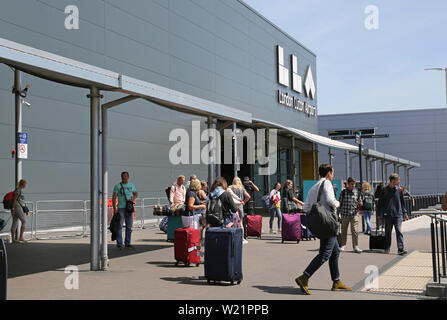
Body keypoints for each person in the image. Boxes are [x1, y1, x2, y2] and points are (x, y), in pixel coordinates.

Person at [295, 164, 351, 295]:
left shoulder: (314, 187)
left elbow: (306, 207)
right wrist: (339, 204)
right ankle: (304, 277)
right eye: (333, 172)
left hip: (319, 223)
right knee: (325, 253)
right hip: (328, 223)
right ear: (329, 173)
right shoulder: (327, 183)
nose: (333, 175)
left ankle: (336, 281)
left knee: (335, 251)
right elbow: (331, 201)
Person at [377, 174, 409, 255]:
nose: (399, 181)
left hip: (398, 215)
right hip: (388, 215)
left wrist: (405, 213)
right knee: (388, 232)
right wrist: (379, 213)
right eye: (398, 180)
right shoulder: (385, 190)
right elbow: (380, 203)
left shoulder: (400, 190)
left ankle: (400, 249)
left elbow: (402, 203)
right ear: (393, 180)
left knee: (399, 231)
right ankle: (387, 248)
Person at [112, 172, 138, 250]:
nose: (124, 178)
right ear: (121, 177)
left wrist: (132, 198)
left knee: (129, 227)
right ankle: (119, 244)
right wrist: (114, 208)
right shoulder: (117, 186)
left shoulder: (131, 185)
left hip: (129, 208)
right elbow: (114, 197)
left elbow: (136, 194)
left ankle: (127, 243)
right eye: (123, 176)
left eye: (125, 176)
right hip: (121, 208)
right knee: (119, 226)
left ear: (128, 177)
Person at [338, 177, 363, 253]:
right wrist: (338, 214)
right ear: (348, 184)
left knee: (354, 230)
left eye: (354, 184)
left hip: (354, 214)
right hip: (344, 214)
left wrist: (359, 203)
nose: (353, 185)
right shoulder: (343, 192)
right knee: (344, 231)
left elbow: (361, 203)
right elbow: (340, 203)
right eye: (352, 184)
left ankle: (356, 246)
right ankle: (343, 245)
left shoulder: (357, 192)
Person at [229, 177, 250, 244]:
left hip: (232, 206)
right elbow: (248, 196)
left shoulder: (230, 187)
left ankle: (232, 237)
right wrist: (243, 202)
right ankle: (242, 238)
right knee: (240, 223)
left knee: (232, 222)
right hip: (240, 205)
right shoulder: (242, 188)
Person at [11, 179, 29, 243]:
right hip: (17, 207)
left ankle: (13, 239)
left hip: (16, 207)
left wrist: (26, 210)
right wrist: (13, 208)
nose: (26, 185)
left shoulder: (18, 190)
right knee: (24, 221)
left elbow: (21, 201)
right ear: (23, 184)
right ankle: (21, 237)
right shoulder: (18, 190)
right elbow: (15, 199)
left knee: (15, 222)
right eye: (25, 184)